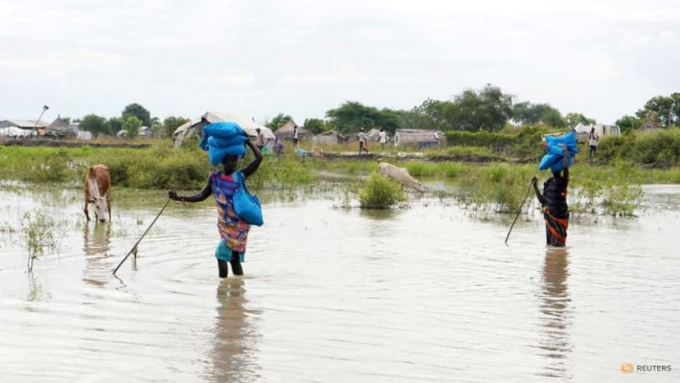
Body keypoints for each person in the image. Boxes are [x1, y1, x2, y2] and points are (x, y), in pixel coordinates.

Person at [168, 139, 263, 278]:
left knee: (221, 255)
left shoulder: (240, 176)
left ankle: (223, 287)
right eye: (228, 161)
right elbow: (201, 195)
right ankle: (238, 291)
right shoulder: (215, 178)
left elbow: (259, 157)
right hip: (225, 225)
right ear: (222, 161)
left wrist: (247, 141)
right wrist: (179, 197)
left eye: (234, 161)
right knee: (234, 259)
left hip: (239, 225)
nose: (231, 164)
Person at [532, 144, 569, 247]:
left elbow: (566, 168)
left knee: (559, 243)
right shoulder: (548, 183)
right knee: (550, 245)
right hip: (550, 216)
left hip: (561, 216)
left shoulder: (563, 181)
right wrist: (535, 186)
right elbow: (543, 201)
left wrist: (565, 153)